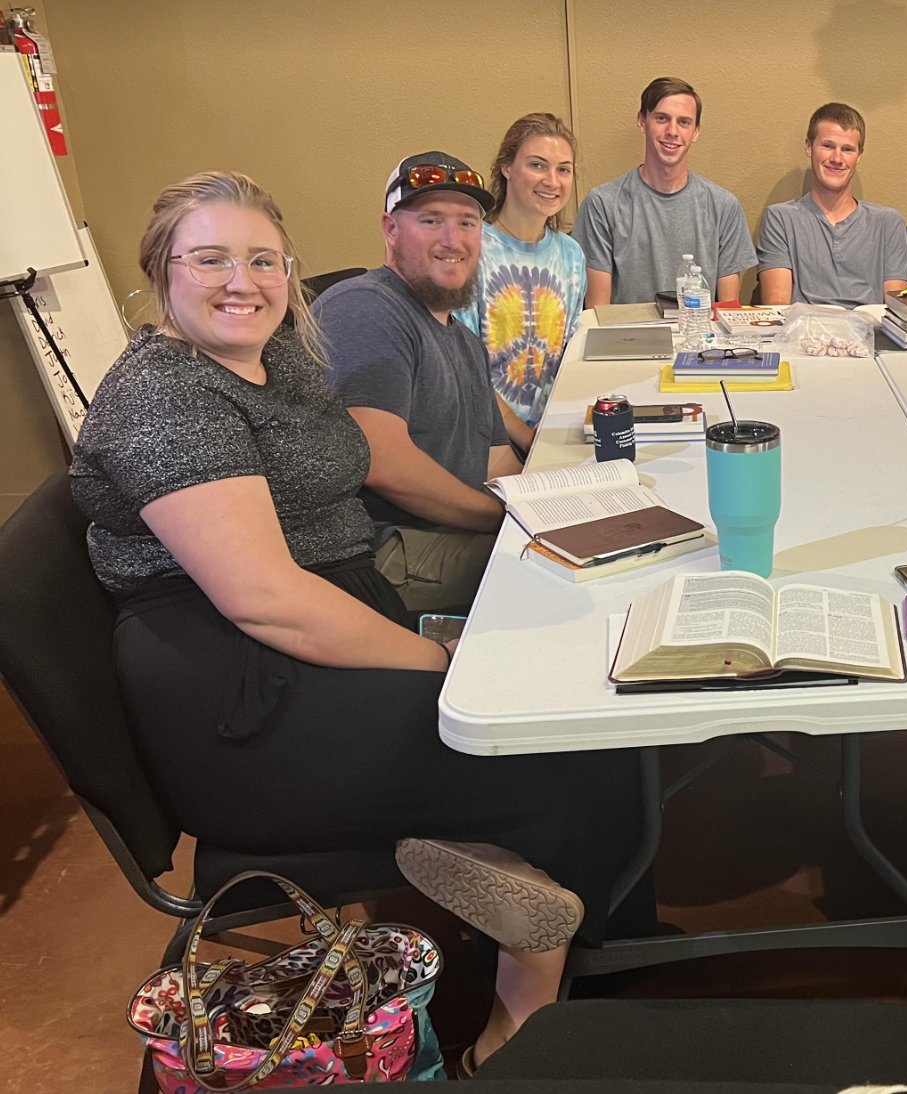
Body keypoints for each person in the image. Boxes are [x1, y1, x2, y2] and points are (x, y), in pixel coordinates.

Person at [68, 171, 649, 1072]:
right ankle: (520, 1026)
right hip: (244, 703)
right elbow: (267, 599)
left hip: (322, 637)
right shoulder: (166, 395)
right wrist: (434, 660)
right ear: (161, 271)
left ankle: (529, 910)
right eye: (211, 258)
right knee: (547, 747)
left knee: (581, 732)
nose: (242, 281)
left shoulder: (278, 356)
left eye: (263, 260)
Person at [314, 151, 518, 614]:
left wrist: (549, 509)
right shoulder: (366, 308)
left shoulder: (463, 340)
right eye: (431, 220)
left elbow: (497, 459)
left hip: (451, 537)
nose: (453, 240)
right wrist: (500, 518)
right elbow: (382, 461)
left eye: (468, 223)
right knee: (555, 578)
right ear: (390, 229)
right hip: (387, 555)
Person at [456, 113, 587, 453]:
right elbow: (467, 374)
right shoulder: (470, 249)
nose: (552, 181)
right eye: (537, 165)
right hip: (487, 437)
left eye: (564, 169)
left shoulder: (571, 255)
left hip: (551, 429)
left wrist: (561, 427)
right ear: (507, 168)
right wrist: (530, 441)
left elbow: (567, 356)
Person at [574, 77, 757, 305]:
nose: (672, 131)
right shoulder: (602, 204)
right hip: (628, 339)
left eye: (684, 122)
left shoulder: (724, 206)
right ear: (642, 121)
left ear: (696, 132)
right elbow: (597, 313)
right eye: (662, 118)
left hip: (698, 337)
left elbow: (727, 310)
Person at [756, 103, 907, 307]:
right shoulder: (780, 219)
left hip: (870, 335)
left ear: (859, 156)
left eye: (847, 150)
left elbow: (898, 311)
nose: (837, 158)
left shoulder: (888, 222)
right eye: (827, 146)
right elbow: (778, 306)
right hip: (803, 335)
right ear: (809, 147)